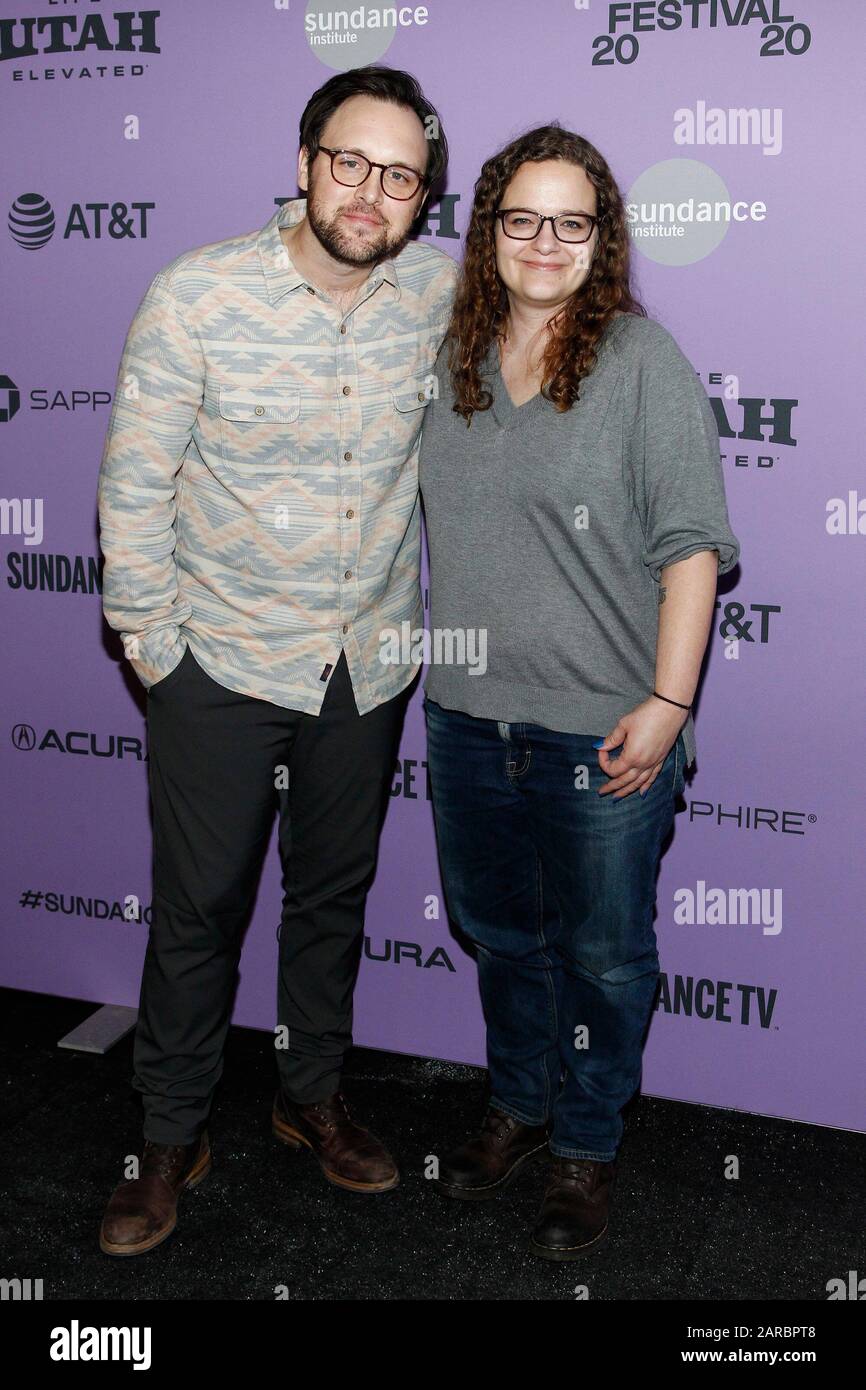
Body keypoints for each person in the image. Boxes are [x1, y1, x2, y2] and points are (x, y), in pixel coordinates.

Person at [96, 65, 458, 1256]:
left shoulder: (437, 295)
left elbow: (564, 321)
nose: (369, 192)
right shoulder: (196, 295)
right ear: (304, 163)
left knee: (331, 897)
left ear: (421, 197)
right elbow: (135, 485)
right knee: (199, 908)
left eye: (398, 175)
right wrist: (156, 648)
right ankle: (168, 1130)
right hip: (223, 661)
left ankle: (310, 1098)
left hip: (365, 663)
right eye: (349, 162)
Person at [418, 124, 740, 1261]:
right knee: (502, 937)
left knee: (602, 955)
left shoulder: (638, 360)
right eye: (520, 217)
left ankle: (584, 1146)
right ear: (487, 229)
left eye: (571, 220)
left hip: (603, 726)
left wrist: (668, 702)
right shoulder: (449, 354)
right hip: (462, 718)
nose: (543, 241)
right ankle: (517, 1104)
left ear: (599, 237)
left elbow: (692, 548)